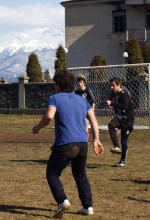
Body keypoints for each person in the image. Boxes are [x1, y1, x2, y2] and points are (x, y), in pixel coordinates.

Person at [32, 71, 103, 218]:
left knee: (52, 173)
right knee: (80, 174)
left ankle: (62, 201)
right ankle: (88, 207)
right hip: (83, 142)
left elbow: (50, 116)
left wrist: (38, 127)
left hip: (66, 143)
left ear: (58, 85)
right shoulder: (82, 100)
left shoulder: (54, 98)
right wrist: (96, 139)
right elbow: (93, 119)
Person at [106, 77, 134, 167]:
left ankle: (122, 160)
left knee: (124, 140)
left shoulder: (123, 94)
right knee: (111, 125)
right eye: (111, 85)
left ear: (119, 85)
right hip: (120, 117)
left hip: (127, 120)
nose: (111, 87)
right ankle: (116, 147)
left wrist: (112, 103)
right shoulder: (115, 94)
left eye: (113, 85)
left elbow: (124, 106)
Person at [75, 76, 96, 141]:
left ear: (84, 83)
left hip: (87, 110)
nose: (79, 83)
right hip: (79, 110)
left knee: (86, 123)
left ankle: (87, 138)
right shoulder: (77, 92)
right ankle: (81, 137)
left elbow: (93, 101)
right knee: (80, 124)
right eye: (78, 82)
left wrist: (92, 110)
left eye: (81, 82)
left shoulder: (88, 91)